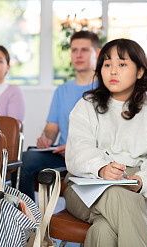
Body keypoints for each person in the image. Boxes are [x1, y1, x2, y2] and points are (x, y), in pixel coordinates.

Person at [64, 38, 147, 246]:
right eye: (107, 65)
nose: (113, 71)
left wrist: (141, 181)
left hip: (139, 192)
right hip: (87, 188)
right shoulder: (86, 106)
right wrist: (101, 168)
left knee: (103, 230)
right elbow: (79, 150)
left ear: (140, 71)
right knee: (116, 193)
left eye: (122, 64)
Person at [14, 31, 100, 200]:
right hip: (62, 156)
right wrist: (45, 139)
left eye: (84, 50)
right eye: (74, 50)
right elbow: (52, 129)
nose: (78, 55)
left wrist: (77, 148)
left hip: (91, 157)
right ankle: (27, 219)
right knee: (22, 160)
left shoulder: (104, 89)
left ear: (96, 53)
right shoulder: (62, 90)